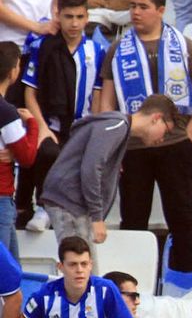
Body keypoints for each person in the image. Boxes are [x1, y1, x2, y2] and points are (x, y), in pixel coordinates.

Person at [96, 0, 192, 272]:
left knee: (181, 217)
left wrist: (191, 131)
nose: (135, 12)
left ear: (160, 10)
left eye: (143, 7)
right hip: (133, 146)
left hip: (175, 144)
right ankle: (131, 280)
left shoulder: (182, 45)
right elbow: (106, 103)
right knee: (133, 218)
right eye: (132, 6)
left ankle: (184, 280)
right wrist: (112, 144)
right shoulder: (118, 49)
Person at [20, 0, 104, 233]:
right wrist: (42, 127)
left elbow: (97, 95)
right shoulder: (43, 47)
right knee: (47, 151)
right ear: (58, 15)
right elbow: (30, 92)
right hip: (51, 123)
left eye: (79, 17)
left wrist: (93, 130)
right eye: (68, 17)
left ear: (87, 17)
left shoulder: (97, 51)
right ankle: (43, 207)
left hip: (81, 125)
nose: (74, 24)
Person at [38, 100, 176, 247]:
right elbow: (91, 168)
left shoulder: (117, 128)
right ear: (156, 118)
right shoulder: (116, 126)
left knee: (85, 260)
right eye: (166, 131)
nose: (162, 139)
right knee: (77, 259)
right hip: (69, 202)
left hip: (74, 204)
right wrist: (97, 217)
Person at [12, 235, 132, 318]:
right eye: (73, 264)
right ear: (60, 267)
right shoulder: (43, 295)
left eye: (84, 264)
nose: (79, 270)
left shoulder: (106, 290)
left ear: (91, 265)